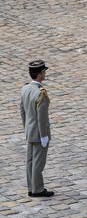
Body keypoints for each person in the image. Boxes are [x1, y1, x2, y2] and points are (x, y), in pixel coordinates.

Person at [20, 60, 54, 197]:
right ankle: (38, 189)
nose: (44, 73)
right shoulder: (41, 93)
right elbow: (42, 118)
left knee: (30, 161)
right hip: (39, 133)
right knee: (38, 163)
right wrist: (44, 135)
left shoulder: (25, 89)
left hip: (30, 131)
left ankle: (31, 187)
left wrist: (26, 128)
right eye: (44, 71)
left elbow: (22, 111)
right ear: (40, 74)